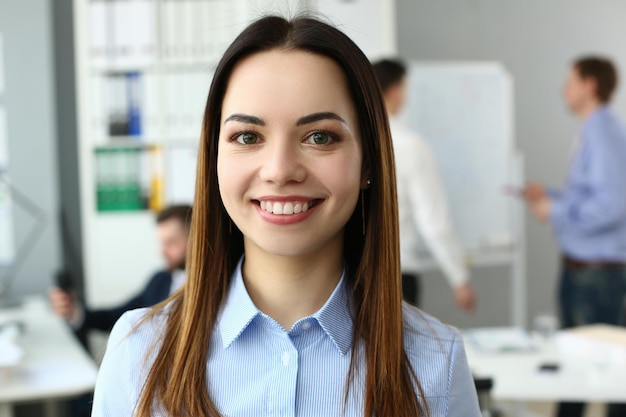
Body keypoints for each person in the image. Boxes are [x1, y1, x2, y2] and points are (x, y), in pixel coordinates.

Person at [91, 16, 481, 417]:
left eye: (320, 137)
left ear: (368, 162)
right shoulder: (138, 351)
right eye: (247, 137)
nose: (279, 170)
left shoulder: (436, 360)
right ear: (213, 159)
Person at [521, 56, 626, 417]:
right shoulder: (593, 129)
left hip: (596, 275)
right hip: (586, 270)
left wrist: (555, 211)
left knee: (604, 376)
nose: (564, 90)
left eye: (571, 82)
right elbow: (591, 195)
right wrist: (552, 195)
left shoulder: (602, 131)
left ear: (590, 85)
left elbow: (613, 205)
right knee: (579, 372)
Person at [372, 58, 476, 312]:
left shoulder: (350, 140)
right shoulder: (410, 146)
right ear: (396, 91)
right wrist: (459, 278)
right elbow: (433, 221)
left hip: (350, 276)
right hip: (397, 276)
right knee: (397, 352)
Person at [49, 204, 192, 335]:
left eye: (171, 243)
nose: (163, 252)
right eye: (162, 243)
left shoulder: (211, 288)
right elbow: (117, 317)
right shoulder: (161, 280)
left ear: (195, 240)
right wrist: (74, 310)